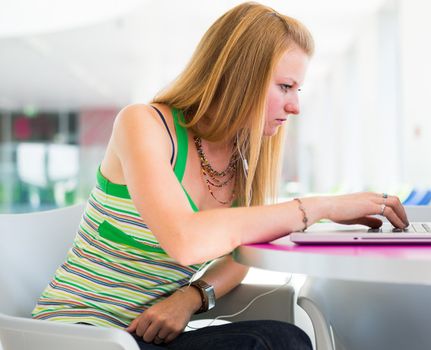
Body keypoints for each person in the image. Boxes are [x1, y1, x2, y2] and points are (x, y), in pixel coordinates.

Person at [32, 2, 409, 349]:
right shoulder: (143, 124)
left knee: (285, 338)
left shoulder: (239, 161)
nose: (294, 106)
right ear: (238, 76)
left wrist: (191, 296)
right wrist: (322, 206)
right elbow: (185, 241)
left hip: (147, 335)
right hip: (82, 334)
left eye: (298, 89)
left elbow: (239, 256)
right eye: (284, 87)